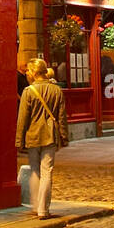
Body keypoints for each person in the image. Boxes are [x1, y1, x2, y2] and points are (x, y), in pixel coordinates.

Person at [16, 58, 69, 219]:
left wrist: (19, 140)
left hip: (33, 135)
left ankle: (35, 204)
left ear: (34, 72)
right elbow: (61, 117)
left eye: (28, 71)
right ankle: (43, 209)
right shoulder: (56, 90)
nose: (27, 73)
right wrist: (64, 137)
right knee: (47, 172)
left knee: (35, 170)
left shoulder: (28, 91)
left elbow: (22, 118)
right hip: (50, 136)